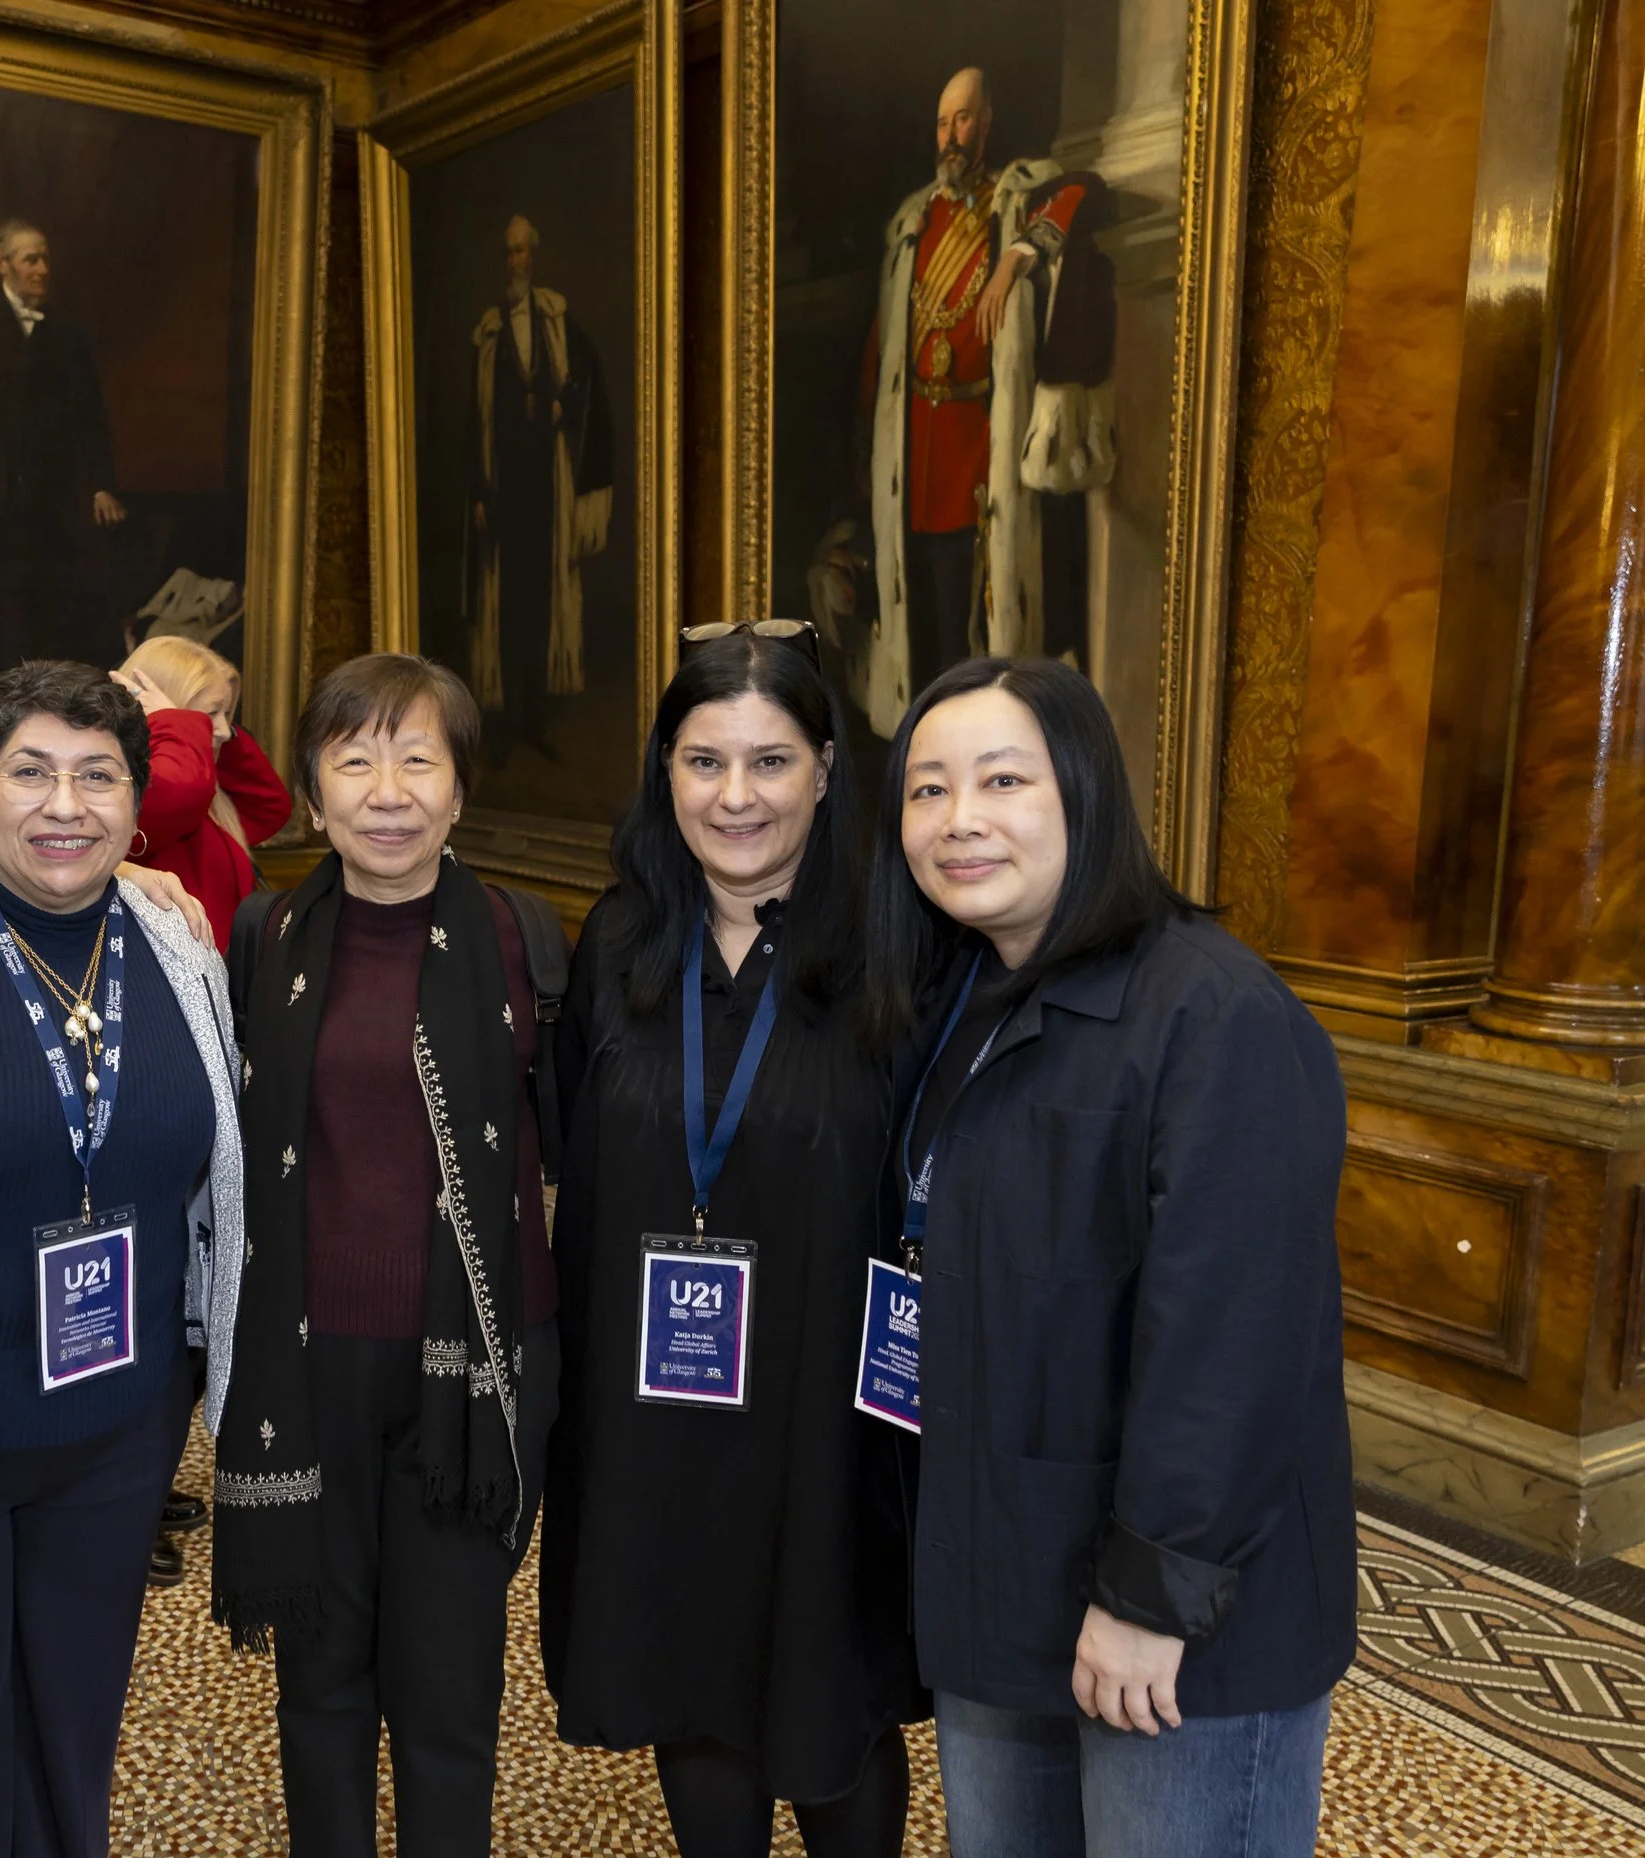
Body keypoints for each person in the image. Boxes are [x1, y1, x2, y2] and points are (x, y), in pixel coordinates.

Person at [866, 657, 1353, 1857]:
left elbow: (1232, 1343)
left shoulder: (1212, 1015)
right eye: (926, 790)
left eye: (1000, 779)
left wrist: (1149, 1599)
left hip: (1179, 1622)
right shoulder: (961, 996)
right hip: (1002, 1572)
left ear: (1082, 791)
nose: (958, 819)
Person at [0, 660, 245, 1857]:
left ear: (138, 805)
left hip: (121, 1432)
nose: (63, 804)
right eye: (29, 771)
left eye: (97, 776)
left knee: (74, 1727)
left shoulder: (182, 948)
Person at [540, 631, 920, 1856]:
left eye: (769, 760)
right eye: (703, 761)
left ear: (824, 767)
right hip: (660, 1404)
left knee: (828, 1697)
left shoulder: (894, 956)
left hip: (826, 1421)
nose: (736, 795)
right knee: (688, 1681)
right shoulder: (614, 946)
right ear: (663, 771)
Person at [213, 651, 563, 1858]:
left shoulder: (522, 940)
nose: (387, 788)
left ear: (460, 790)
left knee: (449, 1691)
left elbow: (563, 1142)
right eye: (354, 759)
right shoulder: (265, 936)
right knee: (318, 1685)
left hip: (469, 1373)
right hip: (308, 1368)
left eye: (418, 757)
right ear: (313, 793)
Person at [842, 68, 1113, 732]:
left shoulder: (1016, 199)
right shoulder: (913, 221)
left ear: (986, 122)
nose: (951, 136)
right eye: (942, 123)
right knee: (925, 619)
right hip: (917, 456)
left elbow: (1088, 190)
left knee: (978, 624)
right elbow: (885, 345)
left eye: (963, 119)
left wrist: (1017, 254)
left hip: (977, 453)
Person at [112, 633, 294, 1584]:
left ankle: (146, 1481)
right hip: (160, 1057)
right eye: (208, 715)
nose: (218, 732)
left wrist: (220, 725)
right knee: (156, 1292)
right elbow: (171, 790)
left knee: (192, 1293)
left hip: (220, 1054)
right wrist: (167, 718)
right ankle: (124, 1503)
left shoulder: (210, 799)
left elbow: (273, 804)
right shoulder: (144, 808)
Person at [0, 219, 127, 675]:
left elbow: (90, 416)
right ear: (2, 264)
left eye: (44, 258)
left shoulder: (66, 333)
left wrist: (101, 485)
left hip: (50, 496)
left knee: (48, 600)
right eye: (29, 259)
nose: (41, 269)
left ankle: (39, 703)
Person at [467, 214, 614, 763]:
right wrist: (481, 493)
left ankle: (532, 719)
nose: (515, 261)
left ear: (535, 256)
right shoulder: (489, 330)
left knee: (539, 602)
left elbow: (586, 381)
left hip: (546, 486)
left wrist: (562, 403)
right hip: (506, 486)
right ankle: (506, 723)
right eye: (508, 252)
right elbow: (473, 421)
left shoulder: (556, 319)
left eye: (522, 251)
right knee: (506, 604)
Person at [114, 635, 295, 933]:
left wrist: (211, 737)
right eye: (212, 714)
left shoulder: (203, 789)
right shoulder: (123, 789)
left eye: (227, 714)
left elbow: (270, 808)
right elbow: (177, 793)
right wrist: (177, 725)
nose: (225, 730)